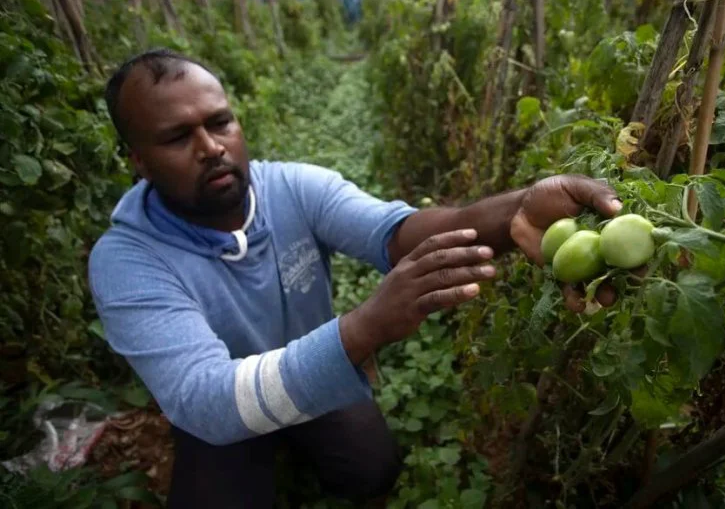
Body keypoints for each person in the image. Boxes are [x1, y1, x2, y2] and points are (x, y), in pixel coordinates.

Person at [88, 48, 623, 508]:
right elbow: (208, 399)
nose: (211, 147)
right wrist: (362, 329)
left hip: (313, 366)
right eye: (178, 137)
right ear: (139, 160)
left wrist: (516, 211)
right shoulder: (129, 260)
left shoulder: (294, 189)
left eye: (220, 122)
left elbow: (397, 233)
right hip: (221, 408)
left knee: (372, 471)